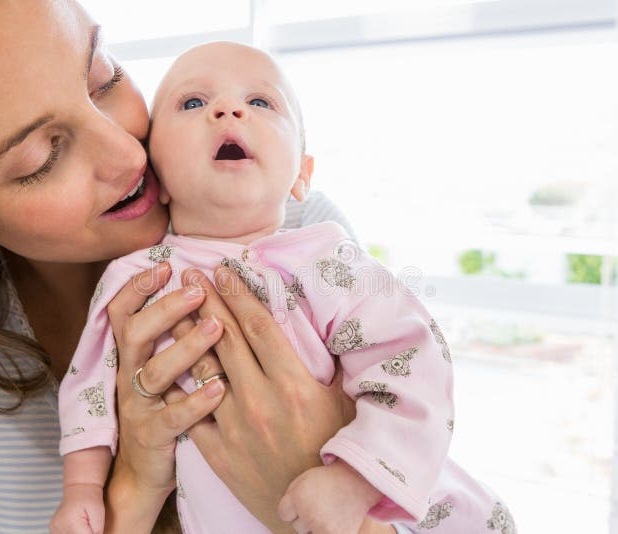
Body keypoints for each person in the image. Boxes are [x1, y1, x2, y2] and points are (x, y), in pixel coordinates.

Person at [0, 1, 394, 533]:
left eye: (104, 78)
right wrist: (129, 491)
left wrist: (309, 485)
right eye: (43, 158)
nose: (129, 154)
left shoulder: (293, 228)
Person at [54, 42, 517, 534]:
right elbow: (89, 386)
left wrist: (353, 483)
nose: (228, 110)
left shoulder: (330, 262)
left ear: (301, 175)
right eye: (192, 103)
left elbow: (412, 367)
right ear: (157, 177)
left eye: (261, 103)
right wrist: (82, 488)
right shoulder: (134, 282)